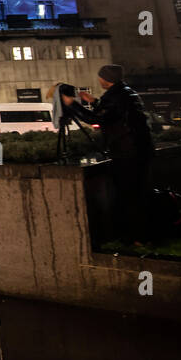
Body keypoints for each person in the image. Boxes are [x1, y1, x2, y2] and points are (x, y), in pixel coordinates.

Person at [62, 64, 154, 237]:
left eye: (100, 76)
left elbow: (96, 119)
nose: (99, 79)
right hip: (141, 148)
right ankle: (143, 232)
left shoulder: (114, 97)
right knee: (140, 191)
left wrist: (72, 104)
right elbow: (115, 113)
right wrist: (95, 101)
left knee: (128, 193)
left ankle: (136, 236)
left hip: (126, 151)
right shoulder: (127, 92)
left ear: (106, 79)